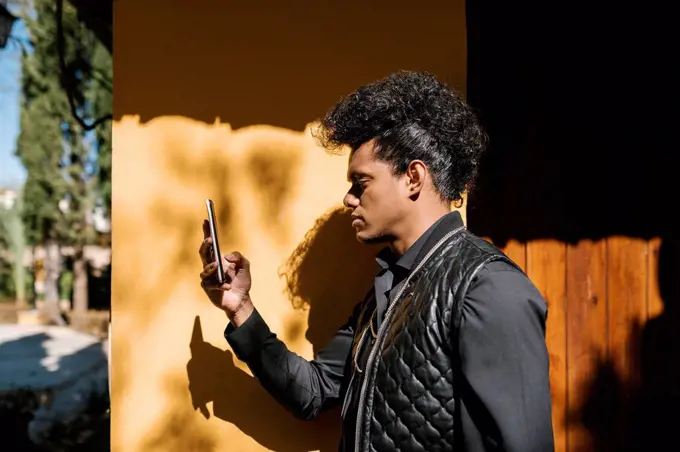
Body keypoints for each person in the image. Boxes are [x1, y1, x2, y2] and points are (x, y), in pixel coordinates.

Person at [198, 71, 554, 451]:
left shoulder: (487, 286)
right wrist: (240, 308)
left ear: (413, 177)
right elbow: (313, 393)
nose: (349, 199)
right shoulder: (385, 294)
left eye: (361, 183)